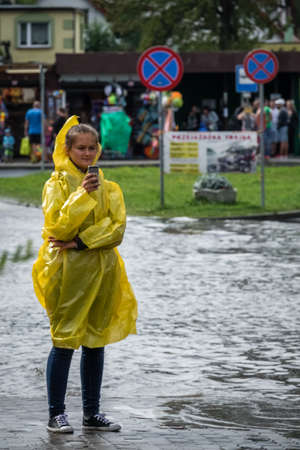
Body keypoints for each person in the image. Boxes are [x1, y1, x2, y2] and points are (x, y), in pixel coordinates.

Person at [32, 116, 138, 434]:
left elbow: (117, 229)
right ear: (68, 149)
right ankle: (56, 414)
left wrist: (80, 241)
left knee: (95, 342)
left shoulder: (109, 186)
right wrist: (80, 196)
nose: (88, 154)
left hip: (103, 270)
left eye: (92, 148)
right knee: (64, 341)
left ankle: (92, 413)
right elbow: (56, 227)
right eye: (81, 148)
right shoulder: (56, 185)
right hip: (67, 272)